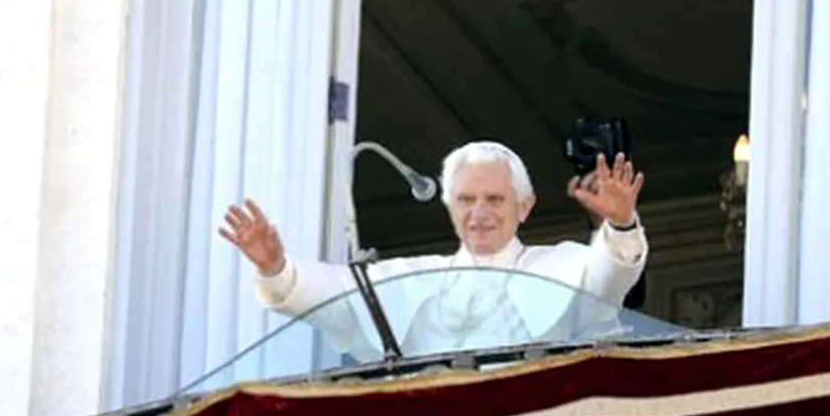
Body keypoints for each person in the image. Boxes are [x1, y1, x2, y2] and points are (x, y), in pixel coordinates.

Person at [218, 140, 648, 361]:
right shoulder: (416, 277)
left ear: (525, 206)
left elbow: (606, 278)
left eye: (494, 199)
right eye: (466, 200)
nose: (479, 213)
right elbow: (337, 293)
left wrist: (621, 224)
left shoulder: (560, 264)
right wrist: (276, 267)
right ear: (449, 206)